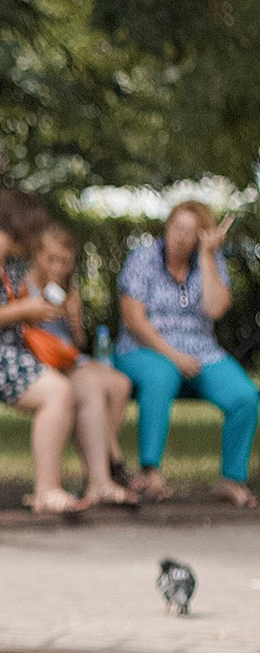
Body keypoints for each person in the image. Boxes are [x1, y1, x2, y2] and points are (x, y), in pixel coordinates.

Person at [0, 188, 128, 513]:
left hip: (1, 350)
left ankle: (100, 482)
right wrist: (26, 309)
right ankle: (47, 491)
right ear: (20, 226)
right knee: (57, 392)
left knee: (87, 386)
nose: (35, 241)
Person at [111, 201, 257, 508]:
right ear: (167, 227)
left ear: (201, 236)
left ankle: (230, 479)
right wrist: (174, 356)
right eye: (176, 228)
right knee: (161, 376)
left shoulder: (210, 260)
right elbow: (133, 319)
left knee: (244, 396)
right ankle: (150, 471)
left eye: (190, 232)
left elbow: (215, 309)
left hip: (201, 351)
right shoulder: (144, 257)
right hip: (145, 348)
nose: (180, 237)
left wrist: (206, 256)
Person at [25, 223, 138, 505]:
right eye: (51, 260)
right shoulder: (25, 286)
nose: (57, 267)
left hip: (67, 357)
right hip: (44, 360)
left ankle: (102, 466)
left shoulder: (70, 291)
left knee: (120, 384)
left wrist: (73, 319)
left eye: (64, 262)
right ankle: (109, 467)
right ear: (38, 256)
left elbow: (78, 343)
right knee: (93, 385)